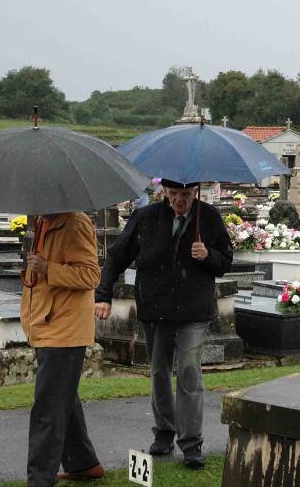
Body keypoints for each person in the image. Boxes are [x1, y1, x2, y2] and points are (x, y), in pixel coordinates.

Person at [95, 180, 233, 469]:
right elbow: (118, 254)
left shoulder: (208, 217)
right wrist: (104, 294)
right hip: (155, 307)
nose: (179, 200)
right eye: (173, 194)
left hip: (194, 309)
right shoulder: (146, 218)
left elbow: (225, 260)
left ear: (195, 192)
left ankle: (191, 442)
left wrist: (208, 255)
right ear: (164, 193)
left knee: (188, 371)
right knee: (159, 372)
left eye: (185, 194)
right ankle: (164, 432)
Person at [23, 212, 104, 486]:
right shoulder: (44, 220)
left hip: (65, 330)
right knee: (62, 399)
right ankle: (84, 463)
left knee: (48, 408)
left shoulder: (74, 223)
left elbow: (91, 275)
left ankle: (39, 480)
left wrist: (47, 268)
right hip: (46, 324)